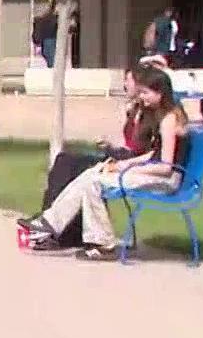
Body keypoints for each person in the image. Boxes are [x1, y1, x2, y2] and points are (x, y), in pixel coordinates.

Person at [17, 65, 190, 261]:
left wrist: (127, 168)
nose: (141, 97)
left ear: (161, 92)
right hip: (154, 173)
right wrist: (125, 165)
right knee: (94, 173)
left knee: (96, 182)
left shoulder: (169, 120)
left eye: (145, 93)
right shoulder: (161, 115)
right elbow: (153, 154)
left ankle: (100, 243)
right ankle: (51, 223)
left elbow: (166, 167)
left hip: (166, 180)